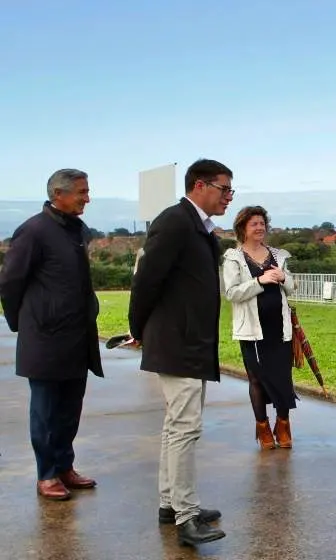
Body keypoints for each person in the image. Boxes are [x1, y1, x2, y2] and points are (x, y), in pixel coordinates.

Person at [128, 159, 232, 546]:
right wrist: (138, 328)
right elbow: (146, 280)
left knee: (176, 425)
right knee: (186, 427)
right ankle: (186, 517)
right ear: (200, 185)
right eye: (224, 189)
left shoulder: (198, 226)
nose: (228, 197)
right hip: (177, 341)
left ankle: (171, 503)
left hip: (190, 341)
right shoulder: (174, 221)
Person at [0, 169, 102, 501]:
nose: (87, 197)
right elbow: (10, 284)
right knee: (45, 411)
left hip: (77, 337)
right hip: (45, 339)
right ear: (59, 194)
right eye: (82, 192)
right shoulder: (33, 231)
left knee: (70, 409)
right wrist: (26, 324)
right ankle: (46, 474)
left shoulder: (76, 230)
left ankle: (63, 466)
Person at [222, 206, 298, 450]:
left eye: (262, 223)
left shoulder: (278, 255)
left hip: (280, 328)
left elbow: (292, 286)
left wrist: (284, 278)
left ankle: (283, 424)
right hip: (253, 331)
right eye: (254, 223)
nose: (260, 227)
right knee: (257, 379)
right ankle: (263, 427)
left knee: (283, 376)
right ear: (243, 228)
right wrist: (259, 281)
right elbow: (231, 293)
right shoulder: (233, 258)